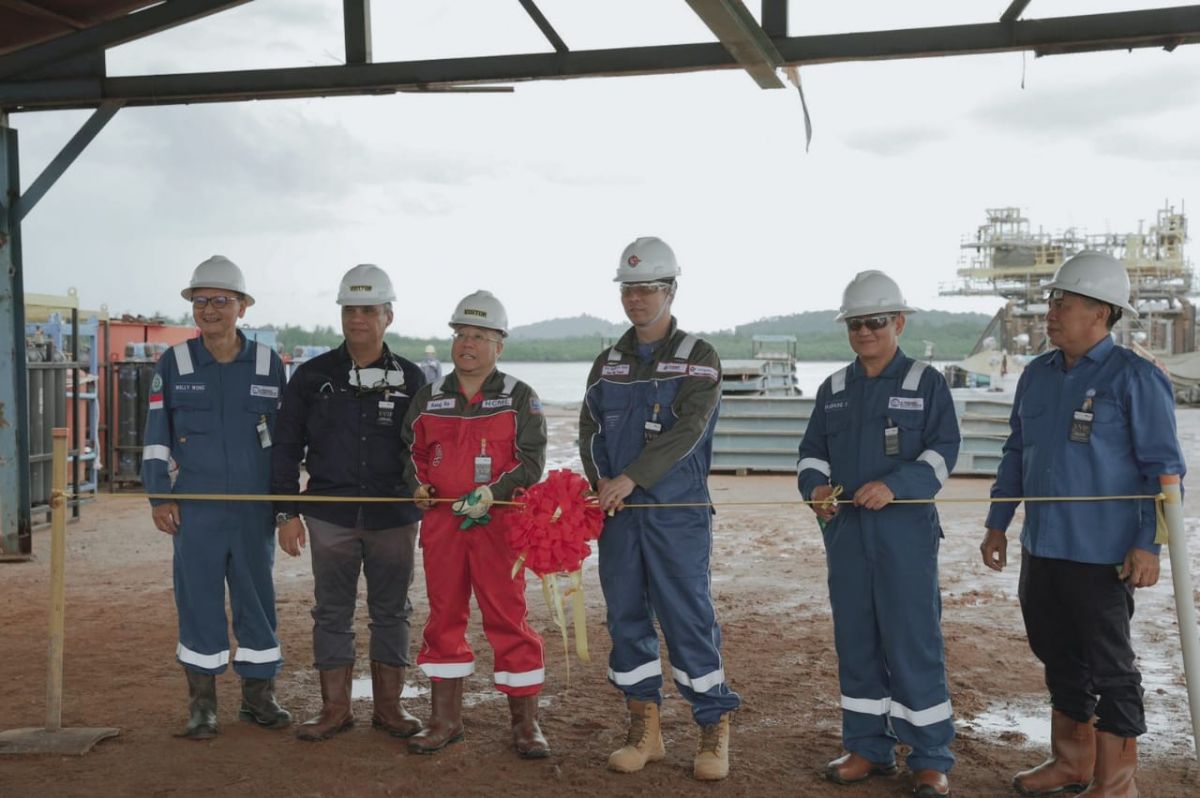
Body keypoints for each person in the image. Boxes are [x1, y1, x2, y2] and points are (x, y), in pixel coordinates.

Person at [980, 250, 1186, 797]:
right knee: (1056, 653)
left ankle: (1116, 782)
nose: (1049, 311)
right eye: (1051, 299)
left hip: (1105, 555)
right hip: (1043, 547)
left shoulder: (1136, 378)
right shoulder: (1037, 375)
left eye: (1061, 301)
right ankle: (1072, 762)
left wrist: (1150, 546)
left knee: (1110, 666)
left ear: (1100, 311)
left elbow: (1165, 473)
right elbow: (1017, 452)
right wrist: (998, 523)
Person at [579, 236, 740, 782]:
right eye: (629, 289)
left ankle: (713, 726)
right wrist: (600, 480)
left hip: (676, 513)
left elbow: (690, 430)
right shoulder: (609, 362)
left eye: (648, 288)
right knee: (626, 618)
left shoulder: (699, 357)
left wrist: (632, 477)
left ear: (670, 290)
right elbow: (591, 429)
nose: (637, 299)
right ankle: (644, 729)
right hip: (619, 514)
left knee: (688, 618)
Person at [796, 270, 960, 797]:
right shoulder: (834, 389)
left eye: (876, 321)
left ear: (899, 322)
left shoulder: (926, 383)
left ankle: (930, 756)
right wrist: (816, 489)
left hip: (904, 537)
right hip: (846, 537)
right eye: (856, 323)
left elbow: (941, 455)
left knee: (913, 641)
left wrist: (895, 486)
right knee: (857, 642)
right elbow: (810, 453)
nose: (864, 331)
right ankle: (868, 747)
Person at [271, 264, 427, 742]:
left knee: (392, 611)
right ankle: (335, 709)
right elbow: (285, 445)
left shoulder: (412, 377)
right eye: (349, 309)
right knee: (331, 611)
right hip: (330, 515)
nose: (357, 318)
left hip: (393, 517)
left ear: (388, 315)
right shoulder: (313, 376)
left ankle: (390, 709)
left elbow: (427, 448)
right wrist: (285, 512)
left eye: (368, 309)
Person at [142, 255, 291, 739]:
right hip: (196, 511)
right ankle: (203, 706)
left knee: (257, 600)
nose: (210, 310)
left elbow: (286, 442)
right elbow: (156, 433)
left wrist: (286, 506)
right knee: (198, 600)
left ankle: (258, 699)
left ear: (242, 307)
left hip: (253, 510)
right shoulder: (175, 362)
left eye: (221, 301)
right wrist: (158, 497)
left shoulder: (270, 364)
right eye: (201, 301)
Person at [400, 289, 550, 758]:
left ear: (499, 344)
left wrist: (494, 493)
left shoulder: (519, 397)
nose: (467, 343)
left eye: (479, 336)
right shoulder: (429, 397)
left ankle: (526, 726)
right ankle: (445, 721)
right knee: (444, 615)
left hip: (499, 526)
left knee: (508, 617)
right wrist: (418, 486)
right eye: (461, 334)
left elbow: (531, 462)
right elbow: (411, 452)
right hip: (443, 525)